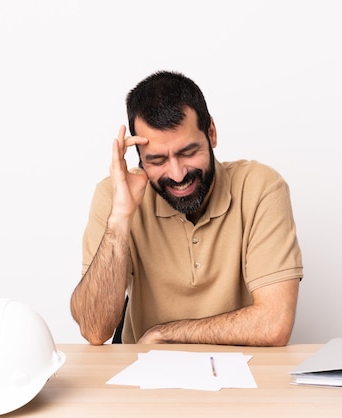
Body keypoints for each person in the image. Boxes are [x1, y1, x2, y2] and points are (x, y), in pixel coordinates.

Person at [70, 71, 303, 346]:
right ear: (140, 158)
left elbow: (274, 324)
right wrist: (120, 217)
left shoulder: (261, 187)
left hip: (243, 372)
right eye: (157, 160)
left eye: (188, 153)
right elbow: (94, 330)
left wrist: (165, 334)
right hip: (145, 374)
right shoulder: (114, 195)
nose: (178, 175)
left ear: (212, 133)